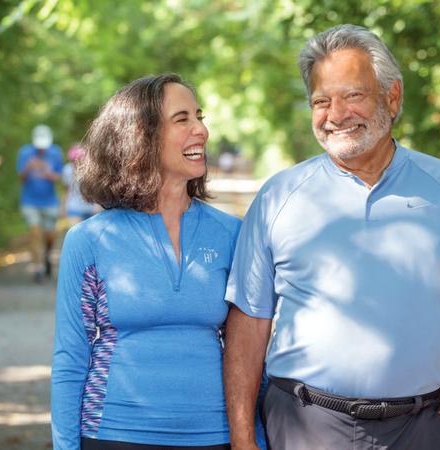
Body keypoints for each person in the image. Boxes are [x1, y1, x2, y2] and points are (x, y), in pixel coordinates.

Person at [223, 24, 440, 450]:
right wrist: (241, 438)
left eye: (353, 95)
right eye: (321, 101)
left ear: (392, 97)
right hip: (301, 427)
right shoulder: (279, 196)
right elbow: (249, 322)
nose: (336, 114)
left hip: (416, 430)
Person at [51, 73, 265, 450]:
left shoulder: (232, 234)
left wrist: (255, 439)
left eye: (199, 116)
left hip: (212, 436)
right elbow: (71, 359)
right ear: (141, 136)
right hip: (113, 433)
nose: (201, 129)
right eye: (182, 119)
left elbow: (248, 352)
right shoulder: (89, 240)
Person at [17, 124, 63, 283]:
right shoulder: (25, 153)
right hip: (30, 201)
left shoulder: (56, 153)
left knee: (50, 235)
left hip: (50, 201)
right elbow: (21, 178)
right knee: (35, 231)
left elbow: (61, 177)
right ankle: (37, 267)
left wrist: (49, 174)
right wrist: (28, 168)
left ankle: (48, 256)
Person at [61, 144, 98, 225]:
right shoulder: (67, 170)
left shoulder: (91, 171)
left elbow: (95, 190)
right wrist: (63, 208)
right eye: (74, 160)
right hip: (74, 207)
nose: (76, 163)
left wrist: (97, 206)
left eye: (79, 160)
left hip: (90, 208)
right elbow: (67, 190)